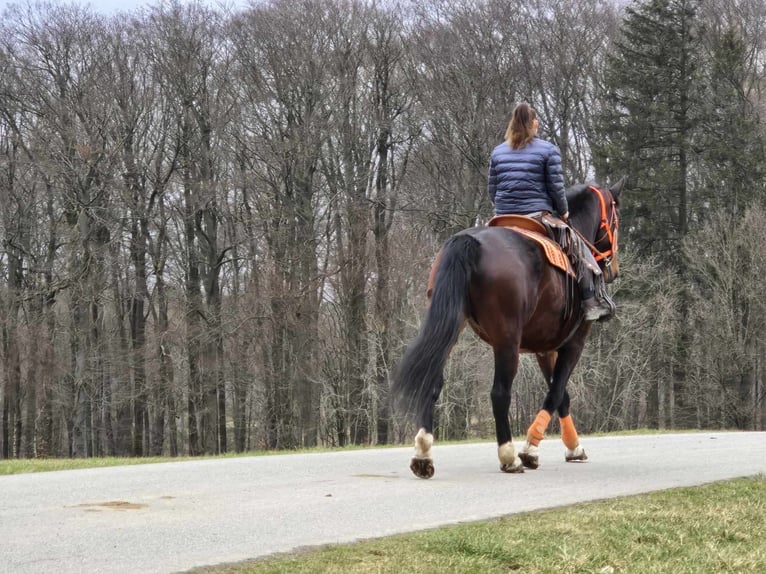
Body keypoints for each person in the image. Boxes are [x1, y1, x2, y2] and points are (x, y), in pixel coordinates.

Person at [487, 102, 613, 322]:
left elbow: (492, 189)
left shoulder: (498, 152)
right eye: (536, 120)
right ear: (532, 123)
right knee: (580, 248)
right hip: (536, 216)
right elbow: (556, 187)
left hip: (502, 217)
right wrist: (563, 212)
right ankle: (590, 301)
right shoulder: (547, 150)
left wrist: (504, 207)